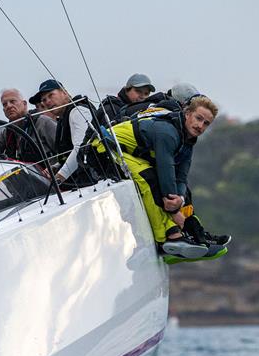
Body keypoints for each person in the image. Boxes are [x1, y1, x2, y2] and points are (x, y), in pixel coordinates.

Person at [90, 96, 221, 258]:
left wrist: (179, 198)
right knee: (148, 178)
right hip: (103, 147)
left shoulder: (188, 142)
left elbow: (181, 177)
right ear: (187, 114)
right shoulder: (168, 133)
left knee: (183, 190)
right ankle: (169, 237)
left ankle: (193, 232)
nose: (200, 125)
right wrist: (173, 207)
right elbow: (165, 169)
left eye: (206, 123)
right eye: (198, 118)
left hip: (128, 153)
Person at [0, 88, 57, 168]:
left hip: (53, 180)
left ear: (24, 104)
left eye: (12, 101)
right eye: (5, 104)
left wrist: (55, 168)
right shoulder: (7, 133)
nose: (9, 106)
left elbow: (64, 150)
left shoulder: (43, 122)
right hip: (28, 183)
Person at [30, 79, 98, 185]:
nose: (47, 101)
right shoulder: (62, 119)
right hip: (84, 182)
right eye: (44, 100)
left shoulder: (77, 112)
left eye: (51, 95)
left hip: (98, 179)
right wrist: (57, 165)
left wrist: (60, 176)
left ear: (64, 92)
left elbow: (81, 148)